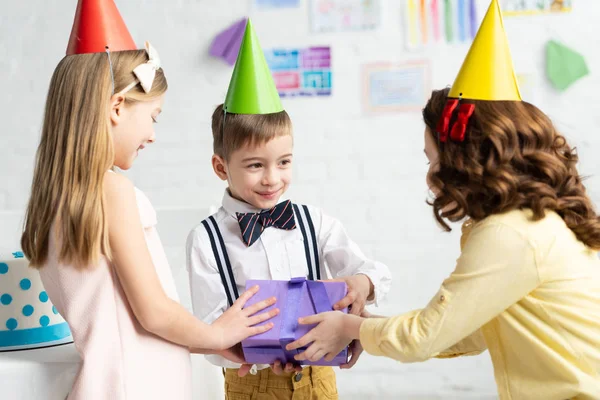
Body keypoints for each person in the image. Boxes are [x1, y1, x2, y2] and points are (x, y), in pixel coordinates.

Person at [284, 1, 600, 399]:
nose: (431, 174)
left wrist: (348, 328)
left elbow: (423, 336)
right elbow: (466, 331)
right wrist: (367, 328)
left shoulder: (510, 234)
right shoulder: (533, 223)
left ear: (466, 160)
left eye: (434, 159)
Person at [20, 2, 276, 399]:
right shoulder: (112, 191)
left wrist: (210, 342)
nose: (153, 134)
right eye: (153, 116)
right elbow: (153, 312)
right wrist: (216, 331)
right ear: (117, 106)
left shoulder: (60, 200)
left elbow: (122, 322)